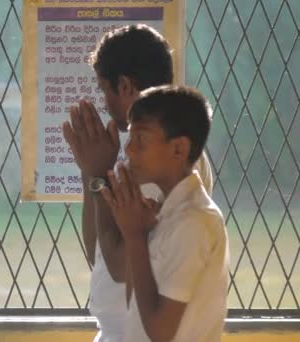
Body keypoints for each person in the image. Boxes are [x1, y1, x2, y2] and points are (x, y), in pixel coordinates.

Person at [62, 24, 214, 342]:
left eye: (104, 90)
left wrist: (100, 173)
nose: (103, 102)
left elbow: (121, 266)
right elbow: (99, 254)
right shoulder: (147, 153)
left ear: (126, 85)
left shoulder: (161, 163)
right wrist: (91, 172)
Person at [101, 85, 229, 342]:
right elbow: (135, 306)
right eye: (130, 139)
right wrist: (138, 233)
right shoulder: (163, 210)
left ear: (179, 149)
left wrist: (135, 236)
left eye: (141, 140)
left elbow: (160, 333)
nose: (129, 151)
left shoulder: (195, 221)